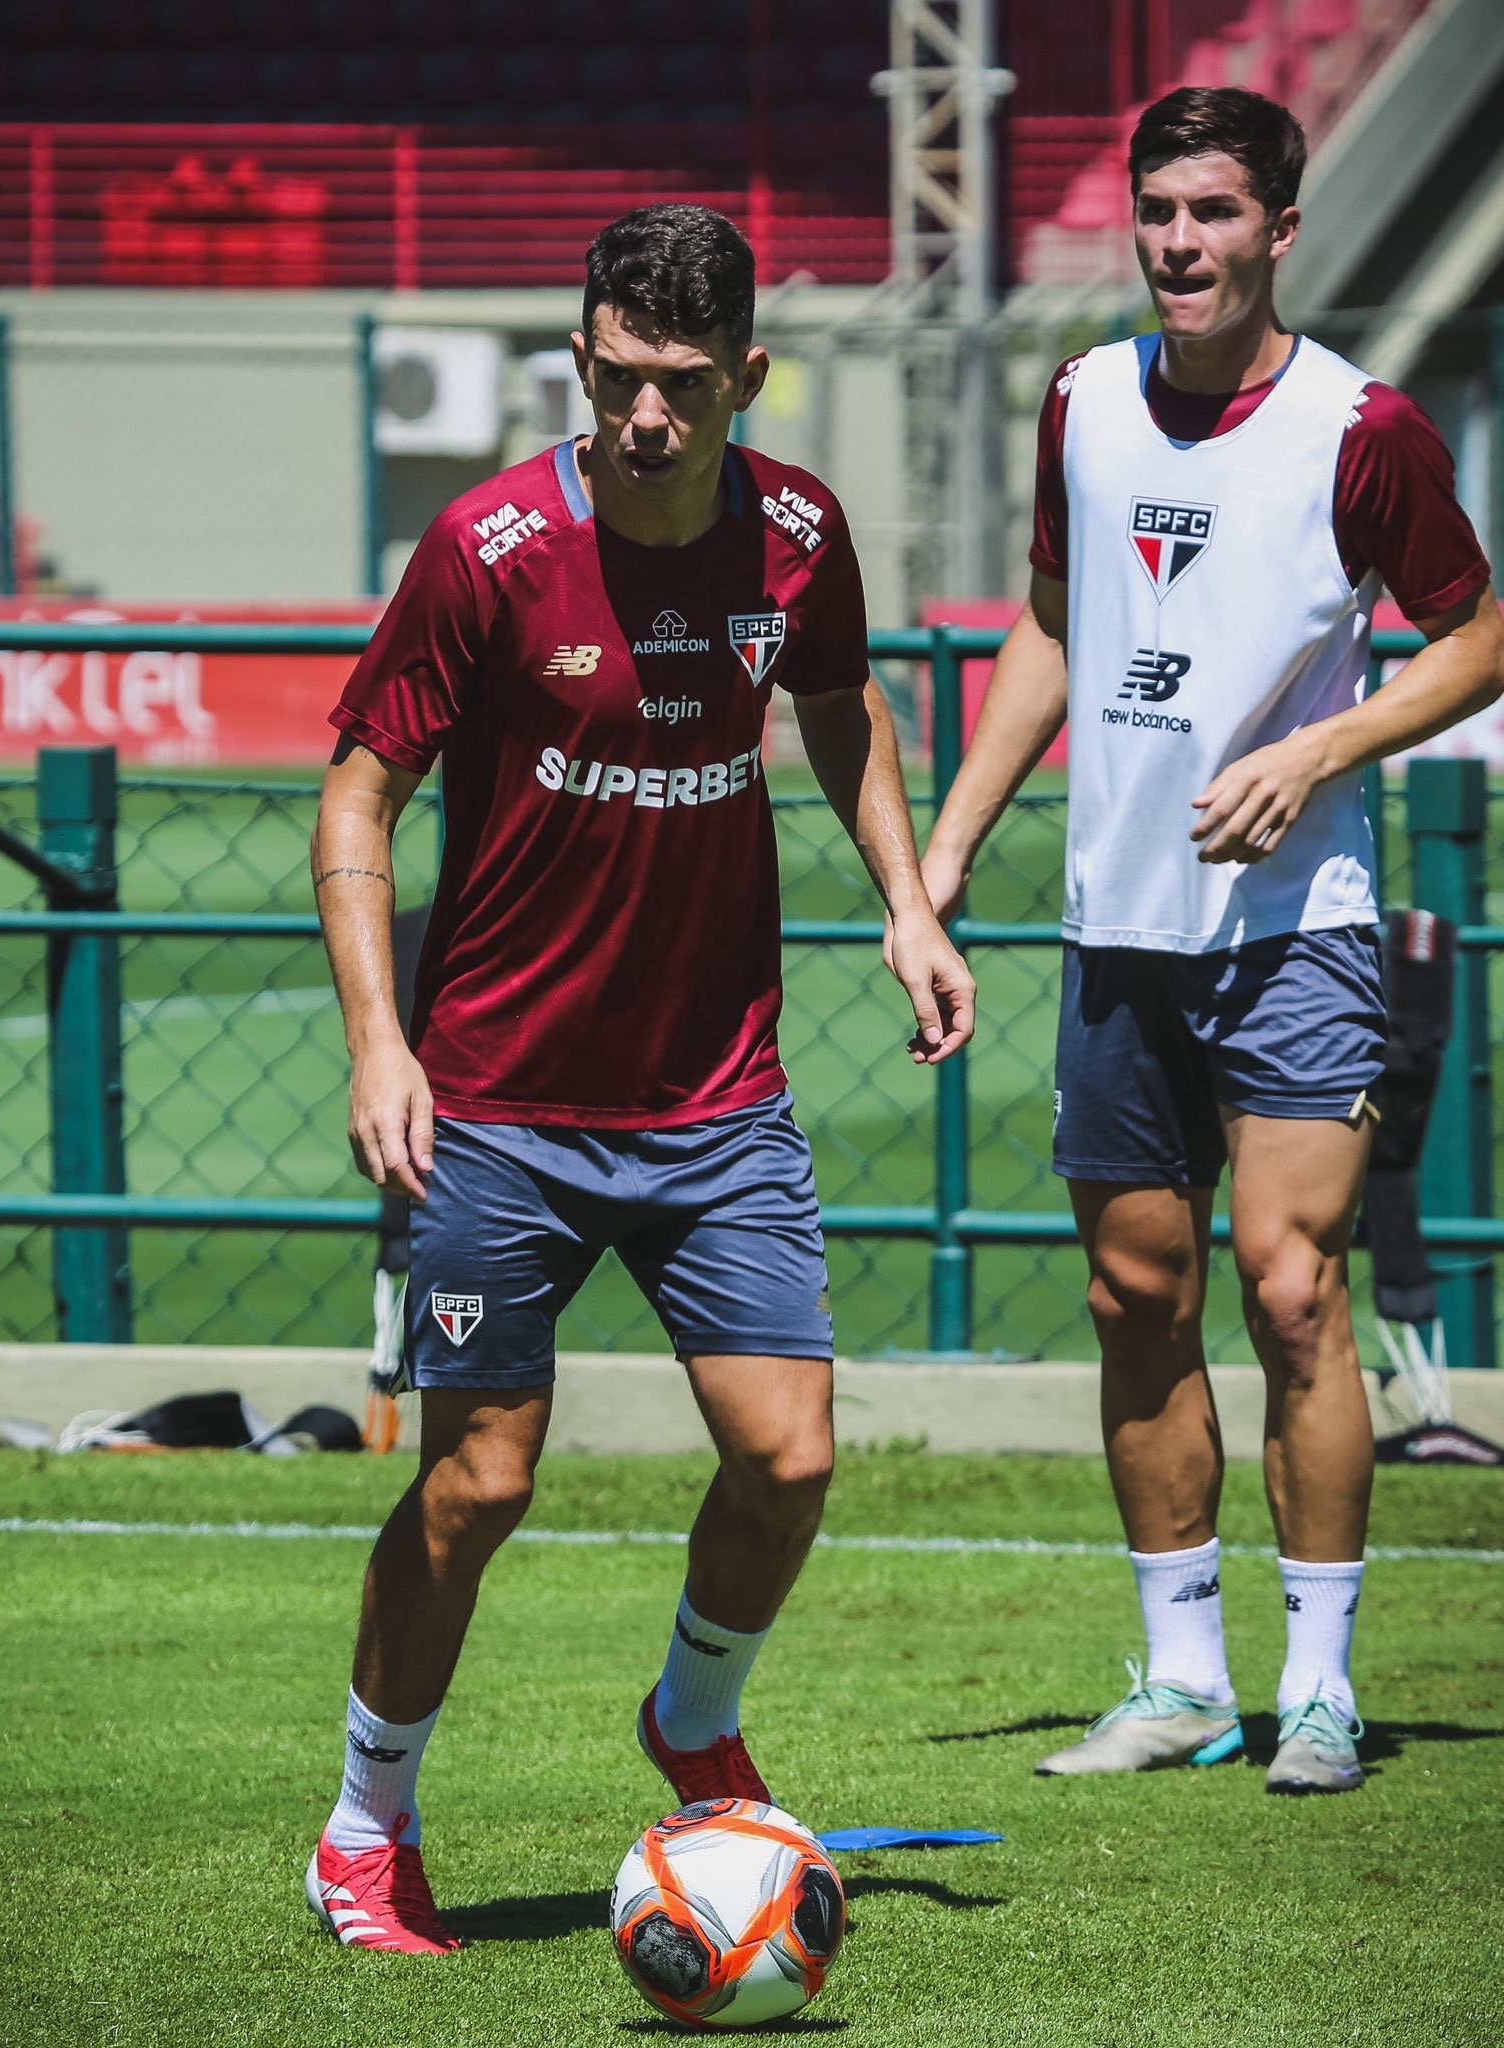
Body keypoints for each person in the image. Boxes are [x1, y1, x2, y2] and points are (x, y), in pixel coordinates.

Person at [306, 202, 975, 1952]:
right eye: (613, 380)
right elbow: (360, 794)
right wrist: (382, 1041)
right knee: (480, 1485)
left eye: (681, 386)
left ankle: (690, 1718)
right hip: (500, 1103)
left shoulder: (800, 531)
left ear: (748, 376)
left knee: (790, 1458)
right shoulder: (488, 546)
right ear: (580, 363)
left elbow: (839, 703)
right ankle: (365, 1830)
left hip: (715, 1093)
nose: (644, 419)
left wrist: (907, 905)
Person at [919, 87, 1502, 1795]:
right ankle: (1182, 1677)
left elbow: (1474, 641)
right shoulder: (1084, 401)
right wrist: (950, 843)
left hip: (1296, 924)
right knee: (1131, 1297)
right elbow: (1048, 622)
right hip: (1119, 926)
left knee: (1291, 1287)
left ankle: (1315, 1686)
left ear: (1279, 233)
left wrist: (1318, 750)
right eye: (1157, 210)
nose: (1179, 242)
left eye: (1214, 214)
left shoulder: (1360, 428)